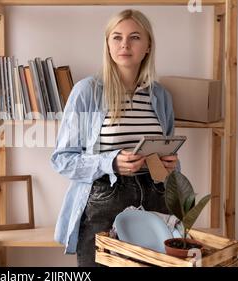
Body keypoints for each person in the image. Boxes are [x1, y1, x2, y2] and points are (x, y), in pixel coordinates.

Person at [50, 9, 179, 267]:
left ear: (148, 46)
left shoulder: (160, 96)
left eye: (134, 37)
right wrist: (111, 162)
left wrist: (168, 166)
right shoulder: (87, 91)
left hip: (156, 200)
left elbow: (168, 156)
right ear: (107, 44)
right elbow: (62, 159)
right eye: (116, 37)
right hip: (104, 201)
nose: (125, 45)